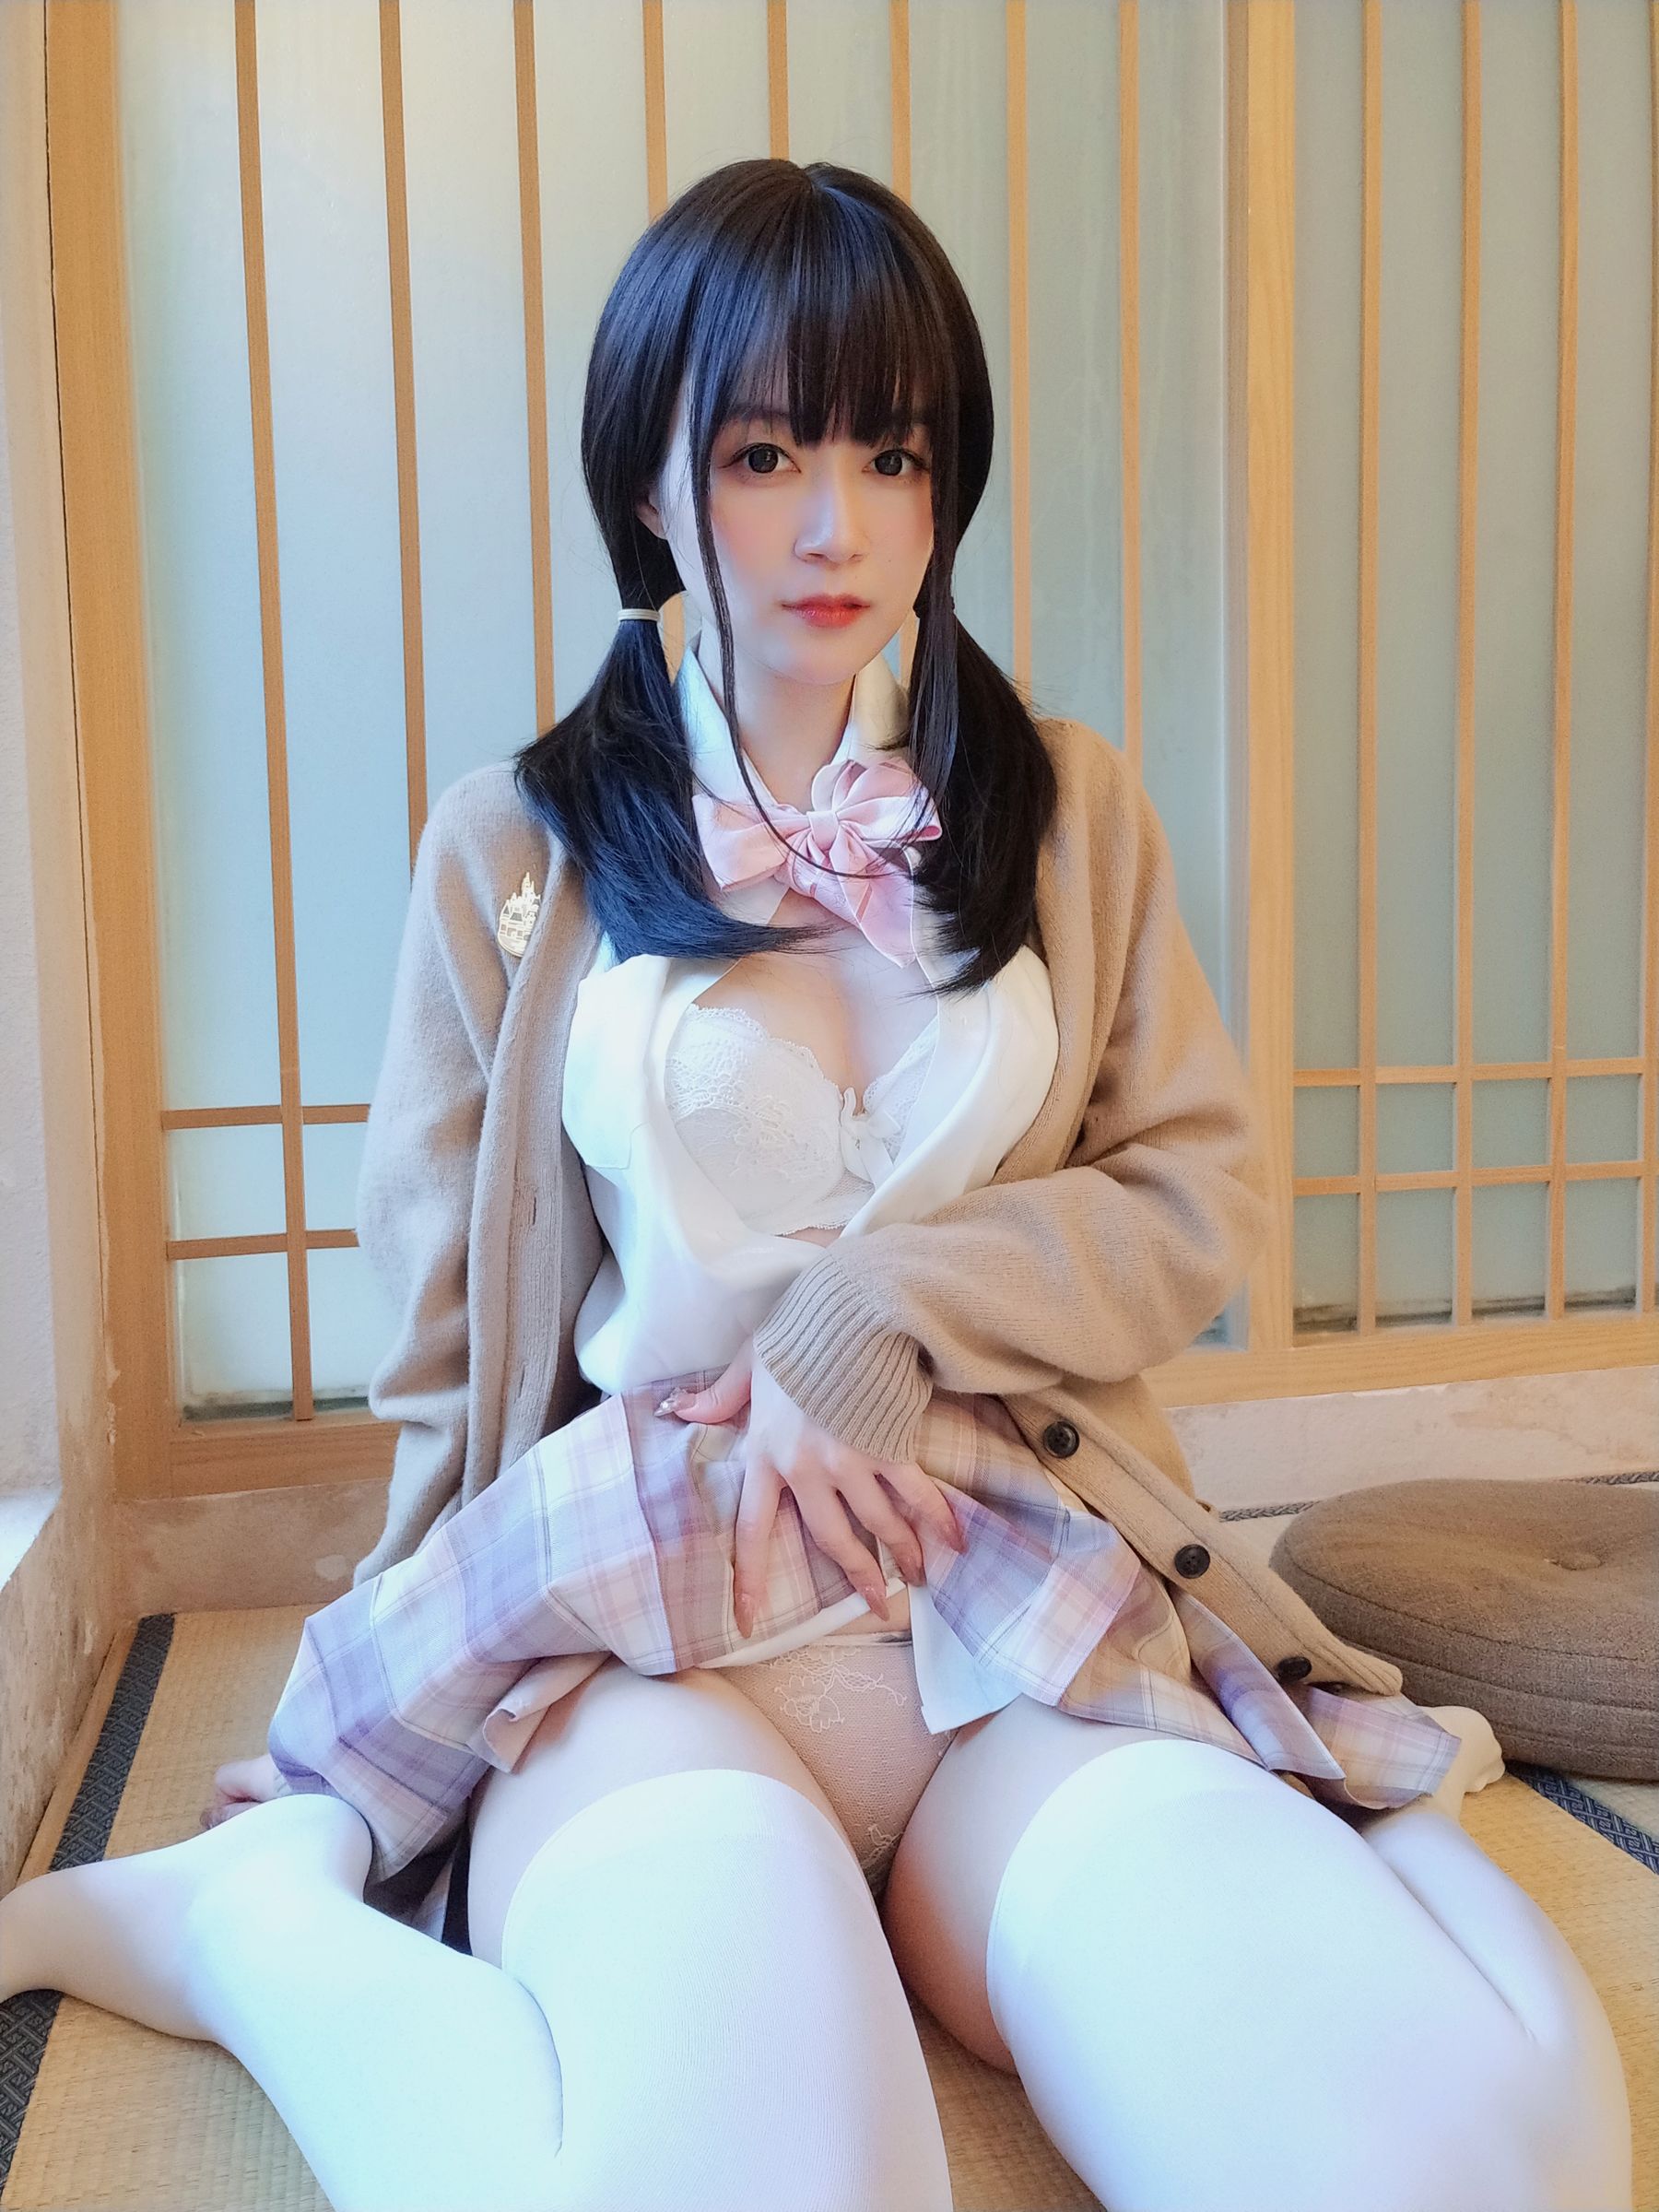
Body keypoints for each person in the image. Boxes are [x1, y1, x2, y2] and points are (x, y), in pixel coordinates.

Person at [0, 158, 1632, 2212]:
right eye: (765, 454)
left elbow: (1194, 1194)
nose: (837, 521)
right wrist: (398, 1677)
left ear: (948, 487)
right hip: (643, 1632)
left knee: (1453, 2169)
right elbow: (444, 1328)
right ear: (654, 484)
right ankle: (253, 1928)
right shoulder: (515, 849)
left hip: (1011, 1597)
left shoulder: (1065, 806)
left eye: (893, 453)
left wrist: (880, 1311)